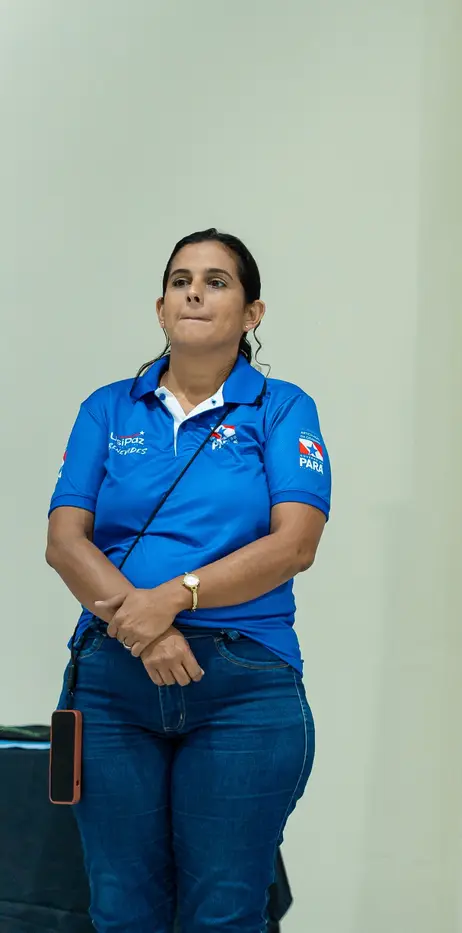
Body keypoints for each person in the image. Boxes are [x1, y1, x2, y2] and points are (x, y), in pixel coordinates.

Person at [45, 228, 331, 933]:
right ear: (160, 307)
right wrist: (145, 632)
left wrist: (175, 599)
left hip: (242, 684)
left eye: (216, 281)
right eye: (180, 281)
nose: (194, 293)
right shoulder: (107, 408)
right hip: (113, 681)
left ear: (252, 313)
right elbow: (64, 541)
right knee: (121, 912)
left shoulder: (283, 408)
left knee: (225, 914)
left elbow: (295, 543)